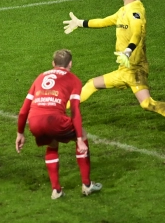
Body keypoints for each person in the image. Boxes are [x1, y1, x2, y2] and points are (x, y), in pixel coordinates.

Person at [62, 0, 165, 138]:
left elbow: (137, 33)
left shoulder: (136, 13)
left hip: (134, 69)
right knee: (96, 86)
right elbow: (104, 21)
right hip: (125, 70)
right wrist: (80, 23)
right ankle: (59, 110)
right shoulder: (124, 10)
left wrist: (128, 52)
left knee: (144, 102)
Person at [15, 49, 102, 199]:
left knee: (52, 143)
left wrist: (20, 132)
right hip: (55, 119)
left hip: (35, 121)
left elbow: (24, 110)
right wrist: (80, 139)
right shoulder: (74, 79)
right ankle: (87, 185)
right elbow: (74, 110)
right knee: (82, 133)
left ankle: (56, 190)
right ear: (70, 64)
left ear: (53, 63)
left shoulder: (40, 77)